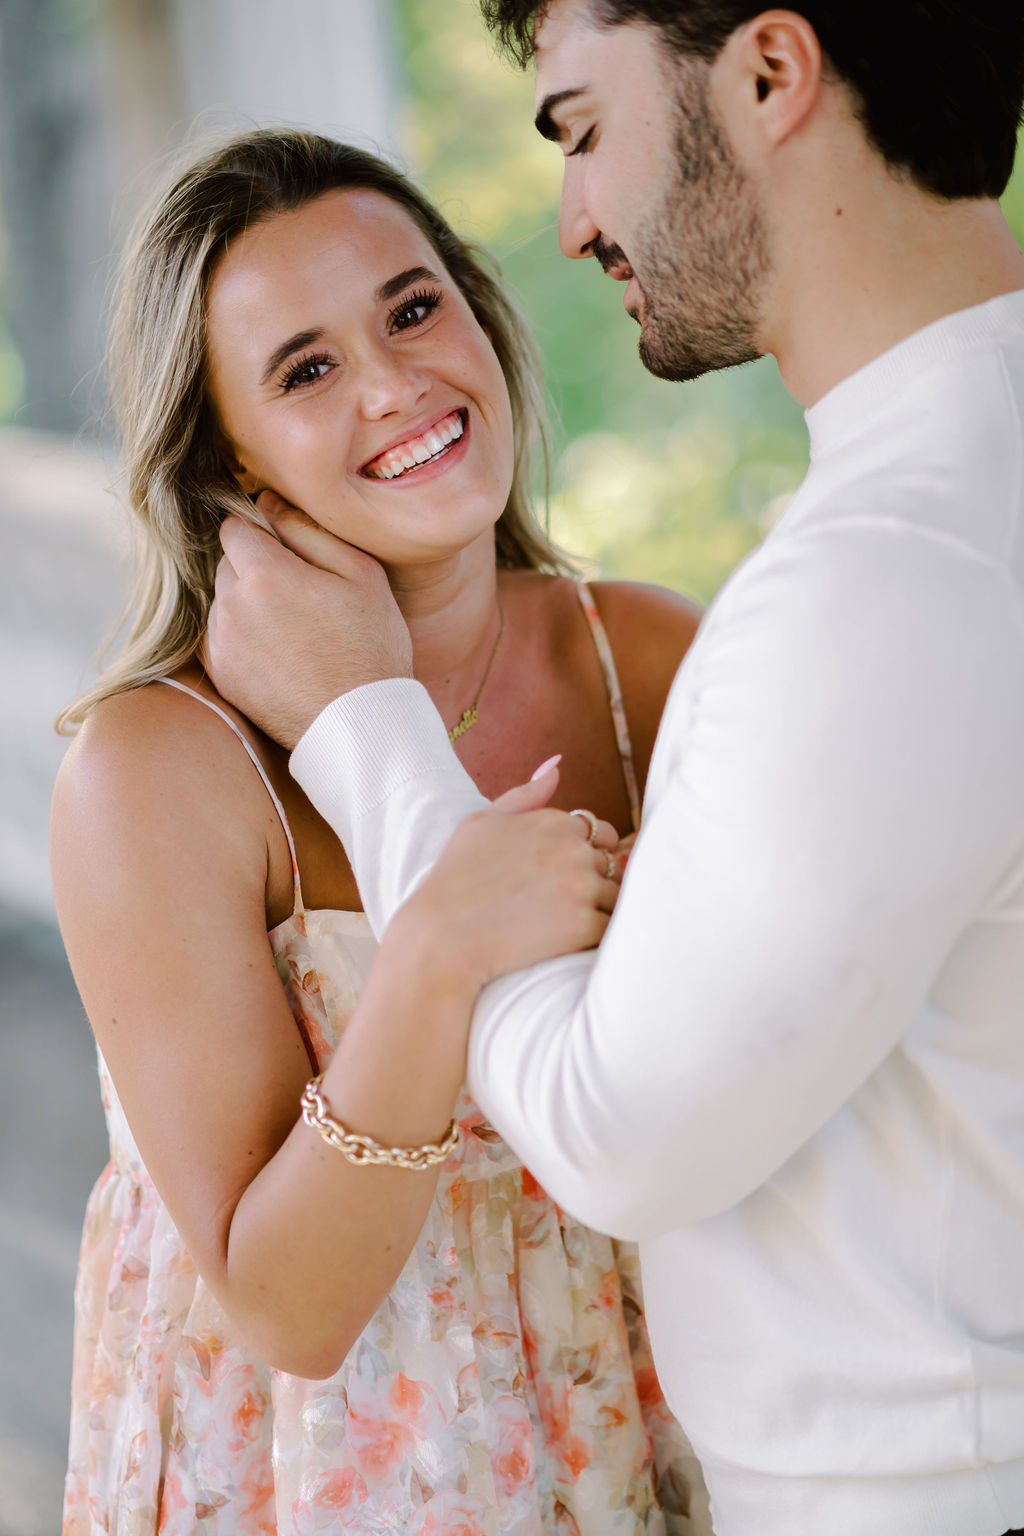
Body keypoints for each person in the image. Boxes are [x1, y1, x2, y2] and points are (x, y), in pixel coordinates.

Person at [200, 4, 1024, 1535]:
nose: (573, 222)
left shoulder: (883, 573)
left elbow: (611, 1132)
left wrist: (368, 731)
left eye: (582, 128)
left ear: (771, 74)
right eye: (302, 368)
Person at [50, 128, 711, 1534]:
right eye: (306, 369)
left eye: (413, 308)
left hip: (653, 1427)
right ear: (223, 449)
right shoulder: (158, 771)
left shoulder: (647, 662)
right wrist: (434, 956)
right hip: (319, 1477)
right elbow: (286, 1306)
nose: (398, 383)